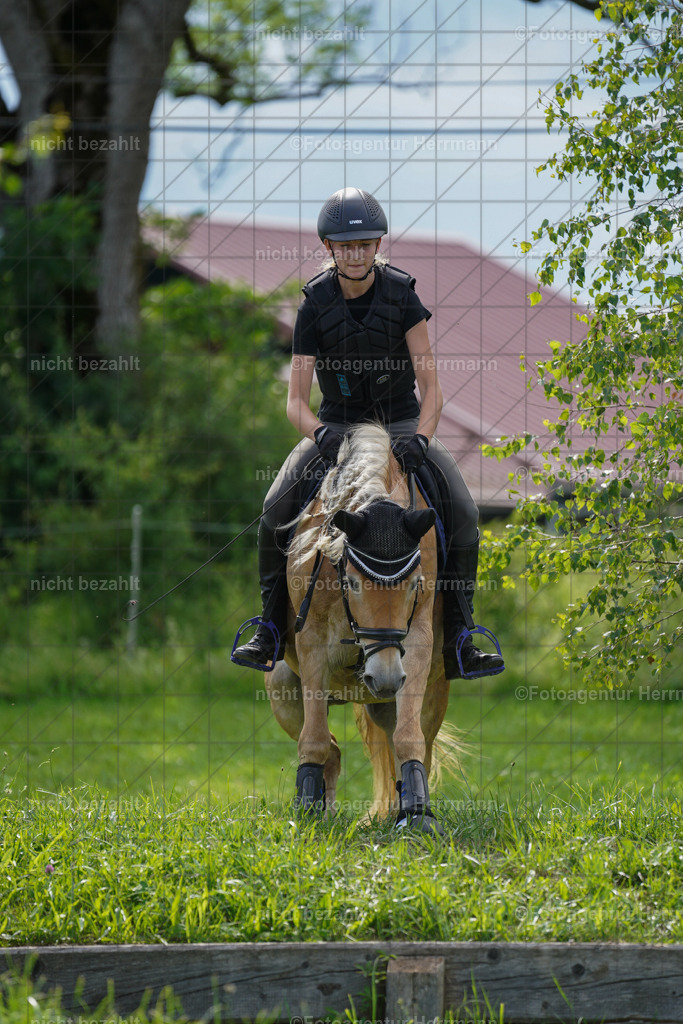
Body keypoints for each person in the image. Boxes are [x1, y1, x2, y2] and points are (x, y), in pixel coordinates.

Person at [232, 187, 504, 679]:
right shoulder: (314, 303)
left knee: (462, 510)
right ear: (329, 249)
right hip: (335, 425)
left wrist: (421, 437)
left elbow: (432, 386)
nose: (355, 254)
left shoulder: (402, 295)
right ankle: (270, 628)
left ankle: (461, 636)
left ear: (377, 246)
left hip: (401, 423)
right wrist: (320, 435)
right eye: (345, 246)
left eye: (364, 245)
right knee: (275, 508)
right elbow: (294, 400)